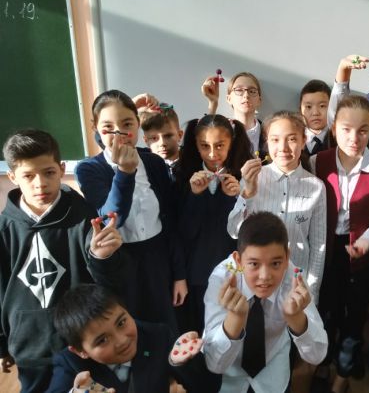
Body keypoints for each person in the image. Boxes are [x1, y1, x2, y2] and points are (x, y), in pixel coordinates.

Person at [0, 129, 126, 393]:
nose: (40, 184)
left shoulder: (83, 217)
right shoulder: (4, 227)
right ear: (12, 177)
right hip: (28, 346)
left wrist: (101, 257)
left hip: (79, 344)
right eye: (28, 176)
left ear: (61, 169)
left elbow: (107, 282)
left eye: (48, 172)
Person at [75, 90, 186, 331]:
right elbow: (111, 217)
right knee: (128, 333)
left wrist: (179, 274)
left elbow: (170, 222)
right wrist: (125, 173)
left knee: (166, 331)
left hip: (158, 261)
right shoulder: (89, 169)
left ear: (138, 124)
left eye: (127, 124)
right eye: (108, 127)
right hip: (122, 266)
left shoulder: (154, 162)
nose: (120, 133)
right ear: (96, 129)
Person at [311, 94, 369, 393]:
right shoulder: (317, 162)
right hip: (325, 252)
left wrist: (368, 240)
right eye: (346, 129)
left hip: (363, 257)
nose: (354, 138)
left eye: (363, 130)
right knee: (325, 312)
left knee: (355, 318)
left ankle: (342, 377)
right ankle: (323, 364)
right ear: (334, 129)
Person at [200, 211, 327, 393]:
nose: (265, 276)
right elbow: (214, 364)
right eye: (254, 264)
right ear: (238, 260)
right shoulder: (222, 279)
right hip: (228, 377)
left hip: (273, 374)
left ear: (287, 257)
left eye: (275, 263)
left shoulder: (293, 278)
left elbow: (317, 355)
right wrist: (235, 319)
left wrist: (297, 318)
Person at [228, 111, 327, 303]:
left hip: (295, 284)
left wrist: (311, 292)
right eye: (275, 139)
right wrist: (247, 194)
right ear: (267, 142)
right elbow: (233, 231)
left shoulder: (316, 187)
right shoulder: (253, 177)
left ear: (304, 140)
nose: (283, 147)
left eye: (291, 139)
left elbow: (318, 246)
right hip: (256, 282)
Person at [46, 284, 214, 393]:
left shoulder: (158, 336)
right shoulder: (70, 364)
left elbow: (208, 387)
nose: (121, 340)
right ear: (80, 351)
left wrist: (181, 364)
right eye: (102, 340)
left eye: (121, 323)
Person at [176, 114, 253, 331]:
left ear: (231, 143)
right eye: (204, 146)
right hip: (197, 274)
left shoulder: (243, 175)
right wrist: (195, 196)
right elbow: (184, 232)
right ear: (195, 145)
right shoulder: (183, 175)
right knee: (201, 329)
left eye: (220, 146)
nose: (212, 154)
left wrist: (235, 199)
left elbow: (242, 231)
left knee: (233, 329)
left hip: (234, 271)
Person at [202, 71, 266, 156]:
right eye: (239, 90)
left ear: (259, 100)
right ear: (229, 99)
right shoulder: (221, 130)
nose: (246, 95)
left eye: (252, 91)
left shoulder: (268, 133)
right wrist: (213, 103)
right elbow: (206, 149)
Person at [139, 102, 184, 181]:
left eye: (168, 136)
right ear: (146, 140)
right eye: (154, 138)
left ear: (179, 135)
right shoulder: (143, 164)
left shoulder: (192, 160)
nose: (162, 143)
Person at [299, 79, 334, 156]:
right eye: (308, 107)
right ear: (300, 110)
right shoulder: (295, 138)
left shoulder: (337, 139)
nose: (315, 113)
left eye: (322, 106)